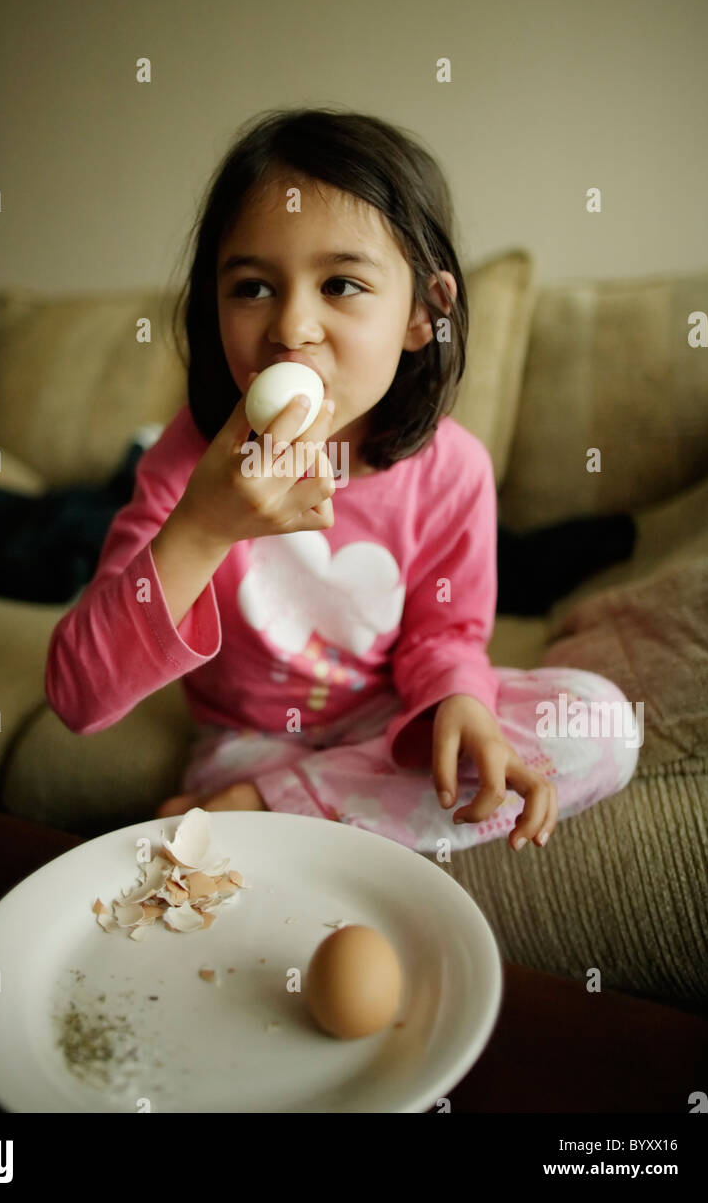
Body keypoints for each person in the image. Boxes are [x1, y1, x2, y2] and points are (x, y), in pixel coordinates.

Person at [45, 107, 640, 858]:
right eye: (253, 288)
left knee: (603, 722)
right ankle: (275, 807)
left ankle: (262, 812)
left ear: (425, 313)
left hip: (391, 726)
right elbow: (78, 697)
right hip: (249, 741)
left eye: (341, 284)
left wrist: (460, 701)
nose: (291, 326)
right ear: (212, 305)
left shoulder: (452, 470)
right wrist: (202, 526)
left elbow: (446, 635)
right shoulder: (189, 460)